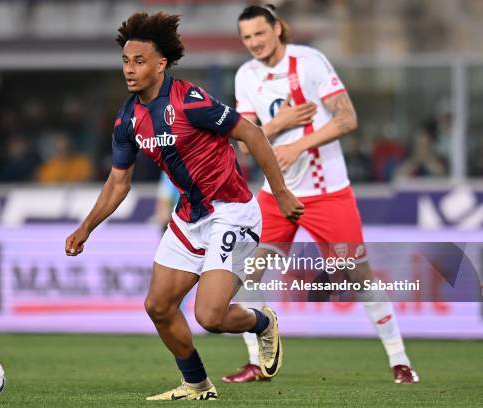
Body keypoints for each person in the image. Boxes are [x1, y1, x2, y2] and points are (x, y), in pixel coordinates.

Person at [65, 11, 304, 401]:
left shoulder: (189, 100)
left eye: (139, 61)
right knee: (158, 306)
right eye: (126, 60)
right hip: (189, 217)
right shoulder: (127, 119)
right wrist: (85, 227)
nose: (130, 69)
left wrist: (280, 193)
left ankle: (262, 322)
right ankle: (197, 384)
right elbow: (118, 182)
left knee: (209, 317)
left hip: (231, 211)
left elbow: (252, 134)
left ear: (161, 64)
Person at [223, 4, 418, 384]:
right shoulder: (245, 75)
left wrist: (299, 145)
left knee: (358, 275)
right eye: (246, 38)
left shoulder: (309, 62)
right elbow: (245, 145)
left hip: (327, 193)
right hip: (276, 194)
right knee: (247, 272)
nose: (253, 44)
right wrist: (278, 125)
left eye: (259, 34)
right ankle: (257, 362)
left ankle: (400, 360)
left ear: (277, 29)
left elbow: (347, 118)